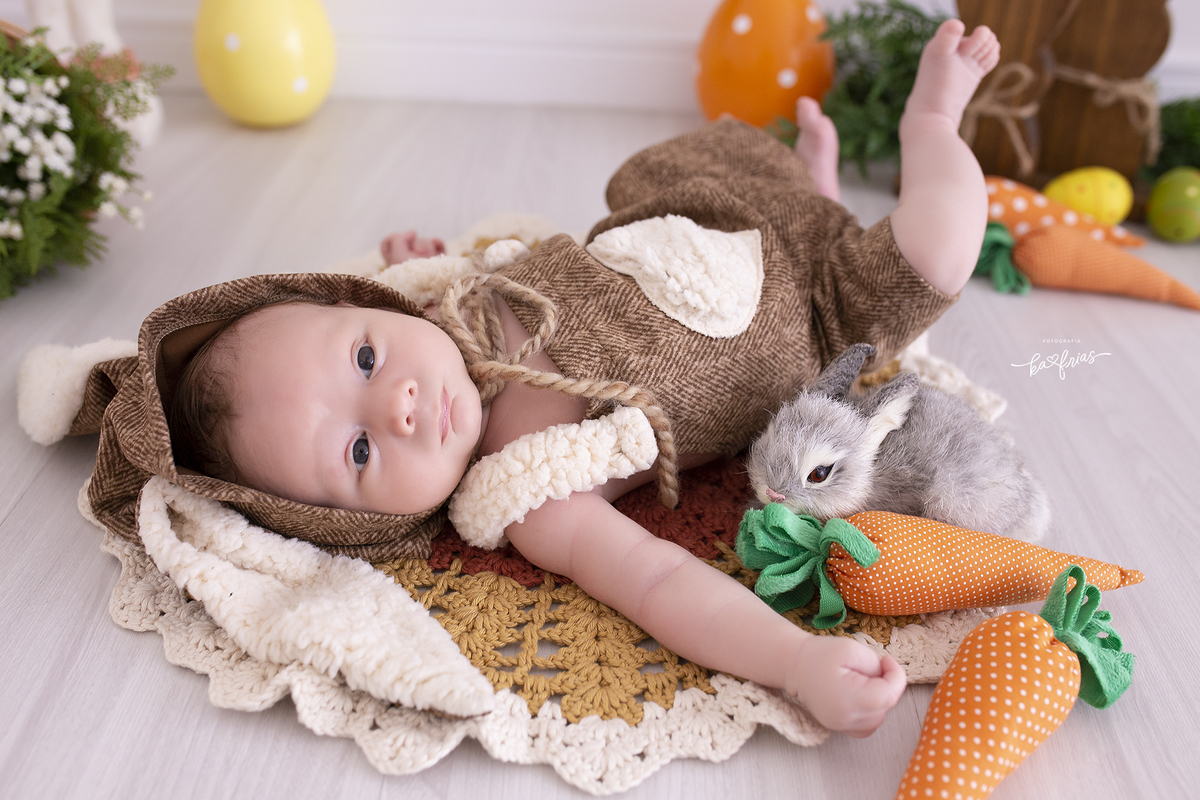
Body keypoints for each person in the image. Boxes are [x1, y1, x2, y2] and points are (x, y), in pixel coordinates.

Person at [165, 21, 1000, 737]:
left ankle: (814, 190)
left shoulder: (459, 299)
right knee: (942, 244)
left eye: (364, 359)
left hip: (706, 220)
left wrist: (422, 266)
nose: (401, 405)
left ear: (372, 308)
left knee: (743, 187)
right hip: (815, 321)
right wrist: (795, 660)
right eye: (356, 450)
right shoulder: (532, 491)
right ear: (361, 527)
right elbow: (662, 581)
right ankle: (931, 121)